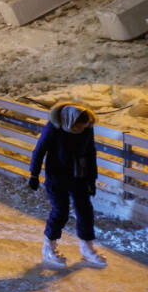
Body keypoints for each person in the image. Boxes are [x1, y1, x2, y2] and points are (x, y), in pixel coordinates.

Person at [29, 102, 106, 269]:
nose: (81, 131)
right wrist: (34, 174)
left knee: (85, 210)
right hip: (57, 176)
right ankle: (48, 247)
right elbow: (39, 150)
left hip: (79, 175)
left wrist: (92, 180)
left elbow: (90, 153)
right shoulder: (54, 128)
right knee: (61, 211)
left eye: (84, 128)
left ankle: (87, 248)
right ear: (69, 123)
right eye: (78, 128)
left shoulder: (87, 127)